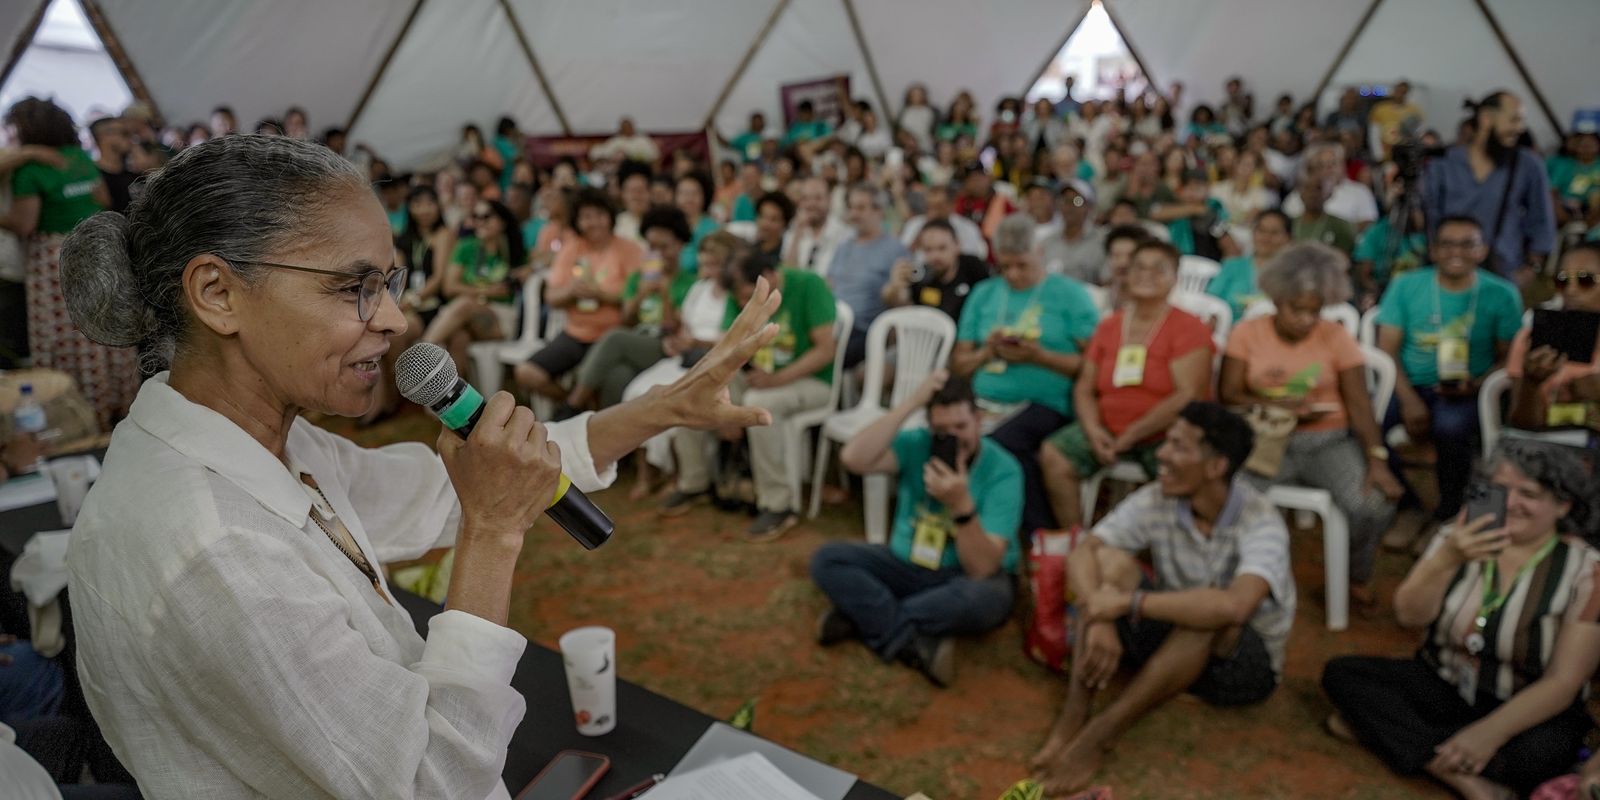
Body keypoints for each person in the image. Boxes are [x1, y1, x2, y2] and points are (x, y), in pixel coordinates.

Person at [54, 133, 784, 800]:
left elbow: (435, 490)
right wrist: (493, 534)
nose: (396, 319)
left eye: (391, 282)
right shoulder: (214, 548)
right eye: (353, 286)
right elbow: (434, 784)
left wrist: (662, 409)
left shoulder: (249, 437)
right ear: (218, 293)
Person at [1032, 403, 1295, 796]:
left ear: (1215, 466)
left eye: (1177, 446)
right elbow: (1085, 552)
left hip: (1239, 663)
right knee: (1112, 563)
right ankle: (1074, 716)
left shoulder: (1261, 521)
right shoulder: (1159, 497)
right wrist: (1100, 614)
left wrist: (1128, 605)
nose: (1161, 454)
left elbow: (1236, 606)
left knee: (1210, 612)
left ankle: (1099, 736)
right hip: (1174, 634)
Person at [1323, 440, 1600, 800]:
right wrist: (1446, 558)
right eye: (1500, 490)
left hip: (1524, 703)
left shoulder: (1587, 571)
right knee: (1345, 674)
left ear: (1563, 506)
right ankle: (1457, 773)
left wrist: (1489, 734)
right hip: (1446, 683)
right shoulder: (1458, 536)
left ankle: (1395, 736)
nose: (1511, 503)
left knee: (1541, 756)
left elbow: (1564, 682)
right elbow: (1409, 616)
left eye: (1529, 494)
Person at [813, 371, 1022, 687]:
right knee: (828, 559)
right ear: (929, 426)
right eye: (941, 430)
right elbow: (853, 458)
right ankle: (912, 641)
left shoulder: (1003, 469)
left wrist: (961, 505)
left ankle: (860, 618)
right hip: (906, 563)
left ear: (979, 420)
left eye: (960, 427)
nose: (952, 439)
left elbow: (982, 568)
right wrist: (910, 404)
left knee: (986, 597)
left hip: (961, 574)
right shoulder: (917, 444)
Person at [1221, 244, 1403, 605]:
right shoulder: (1247, 332)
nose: (1305, 319)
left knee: (1373, 505)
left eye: (1314, 310)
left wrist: (1377, 459)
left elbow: (1359, 403)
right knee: (1227, 498)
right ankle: (1235, 579)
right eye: (1296, 309)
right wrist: (1275, 404)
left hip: (1327, 441)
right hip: (1267, 440)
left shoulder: (1335, 336)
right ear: (1277, 298)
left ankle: (1353, 575)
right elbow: (1229, 393)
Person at [1039, 241, 1215, 529]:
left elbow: (1188, 395)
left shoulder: (1188, 328)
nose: (1147, 275)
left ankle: (1175, 554)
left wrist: (1132, 434)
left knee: (1184, 468)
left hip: (1166, 431)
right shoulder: (1110, 326)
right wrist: (1094, 432)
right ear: (1126, 274)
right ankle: (1077, 540)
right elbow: (1084, 387)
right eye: (1139, 268)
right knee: (1055, 454)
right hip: (1109, 428)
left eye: (1159, 269)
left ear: (1175, 278)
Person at [663, 252, 837, 538]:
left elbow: (825, 350)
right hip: (759, 374)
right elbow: (730, 349)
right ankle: (694, 483)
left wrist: (776, 379)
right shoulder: (741, 292)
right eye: (740, 299)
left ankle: (779, 506)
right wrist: (725, 402)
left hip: (812, 381)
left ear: (769, 276)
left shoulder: (809, 284)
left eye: (747, 296)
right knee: (695, 389)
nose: (744, 305)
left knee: (760, 403)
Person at [953, 214, 1101, 535]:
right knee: (951, 435)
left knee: (1002, 445)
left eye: (1022, 265)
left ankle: (1038, 534)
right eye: (1005, 267)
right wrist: (988, 352)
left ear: (1040, 253)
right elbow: (959, 364)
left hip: (1046, 401)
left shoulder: (1069, 294)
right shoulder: (985, 294)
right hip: (984, 398)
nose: (1013, 275)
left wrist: (1040, 356)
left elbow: (1094, 365)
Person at [1378, 215, 1524, 536]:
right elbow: (1386, 350)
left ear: (1482, 250)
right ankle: (1407, 506)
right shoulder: (1407, 284)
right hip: (1408, 382)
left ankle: (1448, 511)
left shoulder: (1501, 294)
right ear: (1433, 250)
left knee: (1451, 428)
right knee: (1367, 424)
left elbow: (1508, 357)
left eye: (1466, 244)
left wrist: (1479, 382)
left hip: (1467, 388)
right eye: (1447, 244)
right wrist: (1409, 399)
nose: (1455, 251)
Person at [3, 98, 137, 430]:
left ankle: (84, 412)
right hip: (94, 247)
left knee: (69, 336)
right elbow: (102, 199)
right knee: (103, 327)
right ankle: (119, 401)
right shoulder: (79, 158)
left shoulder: (30, 170)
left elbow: (25, 223)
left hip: (55, 259)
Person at [565, 205, 697, 412]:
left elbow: (672, 328)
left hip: (665, 346)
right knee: (618, 376)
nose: (658, 254)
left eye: (665, 247)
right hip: (638, 340)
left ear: (680, 245)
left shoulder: (689, 283)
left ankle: (572, 405)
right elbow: (627, 319)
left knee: (615, 337)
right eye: (652, 247)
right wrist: (641, 294)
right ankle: (615, 437)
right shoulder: (638, 277)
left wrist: (664, 295)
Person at [515, 188, 643, 401]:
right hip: (575, 333)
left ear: (610, 217)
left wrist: (601, 295)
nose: (594, 223)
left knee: (599, 382)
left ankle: (576, 408)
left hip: (612, 336)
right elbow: (551, 298)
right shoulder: (572, 248)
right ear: (577, 221)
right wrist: (571, 292)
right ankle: (573, 407)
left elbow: (637, 298)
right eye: (586, 217)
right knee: (526, 373)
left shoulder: (629, 249)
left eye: (600, 215)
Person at [1423, 92, 1555, 283]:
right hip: (1448, 272)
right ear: (1486, 119)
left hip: (1505, 272)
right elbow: (1429, 217)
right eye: (1514, 120)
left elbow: (1541, 219)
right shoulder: (1444, 162)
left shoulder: (1528, 164)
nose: (1519, 128)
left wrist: (1531, 269)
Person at [421, 199, 526, 371]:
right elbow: (449, 288)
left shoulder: (514, 249)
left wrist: (530, 269)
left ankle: (423, 355)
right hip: (465, 314)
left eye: (486, 216)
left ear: (502, 221)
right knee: (458, 337)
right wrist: (487, 291)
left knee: (465, 303)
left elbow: (548, 257)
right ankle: (456, 396)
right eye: (476, 217)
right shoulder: (466, 246)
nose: (480, 222)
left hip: (500, 317)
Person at [1507, 242, 1600, 435]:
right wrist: (1531, 384)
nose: (1571, 290)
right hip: (1549, 450)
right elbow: (1522, 425)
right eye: (1562, 280)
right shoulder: (1530, 338)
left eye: (1585, 280)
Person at [826, 184, 911, 367]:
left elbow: (899, 299)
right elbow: (829, 284)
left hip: (864, 330)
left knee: (821, 355)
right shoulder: (844, 246)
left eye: (861, 208)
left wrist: (895, 288)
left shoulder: (894, 249)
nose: (854, 214)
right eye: (851, 208)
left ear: (879, 212)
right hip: (832, 323)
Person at [882, 219, 990, 321]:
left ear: (957, 244)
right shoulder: (921, 274)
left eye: (942, 248)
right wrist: (896, 286)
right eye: (928, 249)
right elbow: (901, 306)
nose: (935, 256)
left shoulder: (973, 267)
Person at [1206, 210, 1293, 321]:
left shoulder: (1291, 275)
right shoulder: (1232, 265)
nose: (1266, 237)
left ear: (1288, 238)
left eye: (1274, 233)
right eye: (1261, 230)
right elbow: (1210, 300)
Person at [1283, 142, 1379, 228]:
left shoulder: (1360, 192)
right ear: (1311, 170)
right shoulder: (1297, 196)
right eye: (1321, 165)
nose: (1328, 170)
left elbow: (1369, 225)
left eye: (1333, 164)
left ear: (1342, 166)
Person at [899, 182, 988, 259]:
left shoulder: (967, 228)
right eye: (929, 207)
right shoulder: (914, 224)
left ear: (951, 205)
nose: (933, 213)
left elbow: (976, 256)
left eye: (938, 207)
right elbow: (901, 256)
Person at [783, 176, 851, 276]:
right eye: (806, 198)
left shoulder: (844, 234)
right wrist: (797, 234)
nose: (811, 204)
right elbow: (788, 274)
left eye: (818, 198)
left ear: (829, 200)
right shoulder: (793, 230)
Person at [1292, 171, 1357, 255]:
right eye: (1307, 188)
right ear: (1300, 192)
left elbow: (1344, 259)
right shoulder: (1289, 223)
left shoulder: (1341, 226)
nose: (1312, 193)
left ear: (1329, 193)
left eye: (1318, 188)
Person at [1548, 130, 1600, 228]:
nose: (1586, 148)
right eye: (1583, 145)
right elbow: (1552, 190)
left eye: (1591, 145)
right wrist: (1559, 209)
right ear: (1577, 147)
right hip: (1568, 207)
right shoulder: (1564, 165)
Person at [1209, 150, 1275, 226]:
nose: (1245, 168)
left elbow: (1251, 218)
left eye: (1250, 165)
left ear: (1255, 171)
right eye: (1242, 163)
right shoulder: (1216, 188)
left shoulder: (1260, 194)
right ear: (1235, 164)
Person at [674, 170, 720, 273]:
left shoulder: (713, 228)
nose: (689, 199)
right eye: (684, 194)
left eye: (695, 193)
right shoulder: (669, 226)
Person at [87, 117, 135, 214]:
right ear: (104, 137)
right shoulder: (93, 177)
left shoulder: (134, 171)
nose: (130, 138)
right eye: (124, 133)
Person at [612, 159, 653, 245]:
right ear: (622, 194)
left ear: (650, 192)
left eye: (640, 190)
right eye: (631, 191)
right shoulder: (615, 224)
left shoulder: (661, 221)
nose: (636, 196)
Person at [589, 116, 659, 164]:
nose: (627, 129)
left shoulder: (642, 140)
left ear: (633, 127)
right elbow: (599, 153)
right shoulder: (615, 140)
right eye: (624, 127)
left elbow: (655, 155)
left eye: (629, 127)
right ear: (621, 128)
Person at [1021, 177, 1062, 247]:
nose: (1037, 202)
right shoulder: (1021, 228)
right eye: (1032, 197)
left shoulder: (1063, 224)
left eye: (1041, 196)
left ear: (1053, 198)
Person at [897, 84, 938, 155]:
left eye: (919, 94)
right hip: (908, 145)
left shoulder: (929, 111)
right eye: (914, 95)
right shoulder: (905, 112)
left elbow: (933, 130)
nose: (916, 97)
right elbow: (901, 130)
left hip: (925, 145)